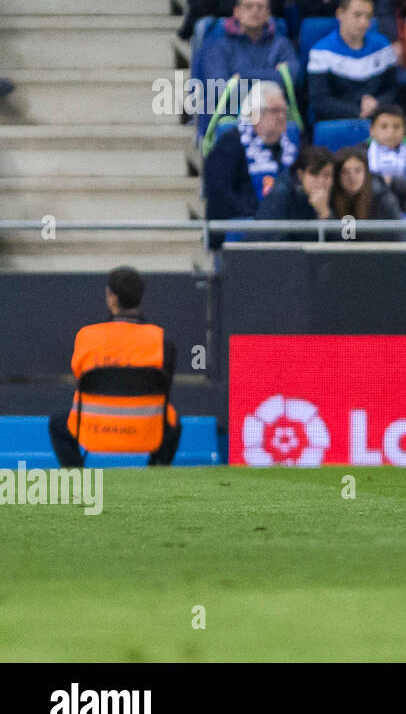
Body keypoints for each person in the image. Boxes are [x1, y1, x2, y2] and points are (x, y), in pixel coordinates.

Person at [48, 267, 181, 468]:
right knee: (174, 424)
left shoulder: (86, 337)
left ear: (112, 298)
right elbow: (165, 391)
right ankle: (157, 473)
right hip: (145, 432)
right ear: (140, 298)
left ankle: (77, 481)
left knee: (57, 425)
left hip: (92, 431)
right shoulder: (162, 342)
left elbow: (80, 379)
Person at [203, 82, 301, 238]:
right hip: (247, 230)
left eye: (284, 110)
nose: (282, 116)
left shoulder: (294, 144)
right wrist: (260, 218)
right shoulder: (230, 143)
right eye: (275, 111)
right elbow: (218, 192)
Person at [306, 0, 399, 123]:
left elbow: (392, 89)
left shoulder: (383, 46)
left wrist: (377, 103)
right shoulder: (321, 51)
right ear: (340, 14)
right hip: (338, 122)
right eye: (357, 15)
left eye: (368, 16)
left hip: (377, 118)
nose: (364, 23)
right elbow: (319, 100)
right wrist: (357, 111)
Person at [196, 0, 299, 89]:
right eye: (248, 6)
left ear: (268, 13)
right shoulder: (216, 43)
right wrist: (263, 92)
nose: (255, 11)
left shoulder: (281, 44)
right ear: (236, 11)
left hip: (273, 104)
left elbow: (292, 78)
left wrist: (241, 74)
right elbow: (218, 87)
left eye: (260, 6)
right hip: (231, 105)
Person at [254, 145, 338, 240]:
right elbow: (270, 241)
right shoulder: (281, 194)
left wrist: (325, 213)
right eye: (314, 174)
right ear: (300, 174)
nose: (320, 181)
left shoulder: (334, 194)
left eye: (326, 175)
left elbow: (342, 245)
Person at [329, 145, 404, 239]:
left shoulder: (384, 200)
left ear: (366, 173)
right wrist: (326, 215)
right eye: (345, 172)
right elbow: (346, 241)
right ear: (337, 176)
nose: (352, 177)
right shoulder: (330, 199)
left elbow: (399, 240)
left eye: (358, 170)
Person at [367, 104, 406, 215]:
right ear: (372, 130)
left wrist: (392, 182)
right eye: (384, 126)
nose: (391, 132)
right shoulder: (360, 153)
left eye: (396, 127)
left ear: (404, 130)